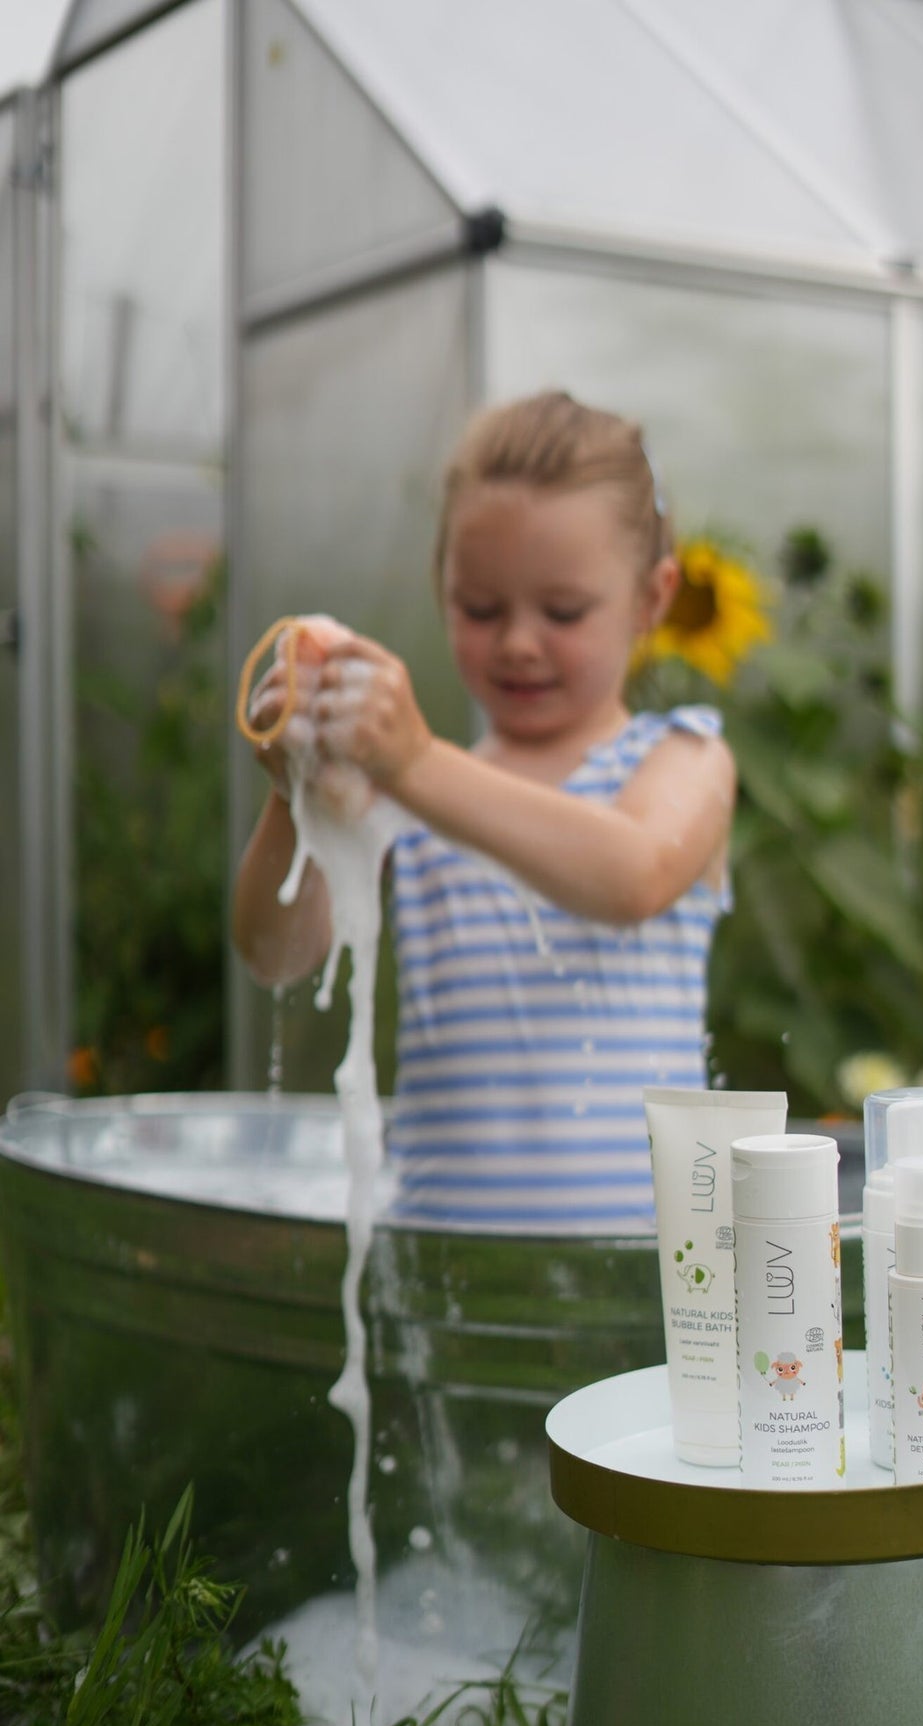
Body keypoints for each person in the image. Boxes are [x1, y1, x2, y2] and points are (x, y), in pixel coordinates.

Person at [233, 391, 737, 1227]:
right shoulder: (415, 790)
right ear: (444, 588)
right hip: (447, 1281)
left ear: (652, 599)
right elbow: (274, 953)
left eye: (563, 611)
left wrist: (417, 763)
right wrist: (295, 798)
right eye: (480, 607)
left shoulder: (682, 757)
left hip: (645, 1284)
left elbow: (634, 875)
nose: (517, 642)